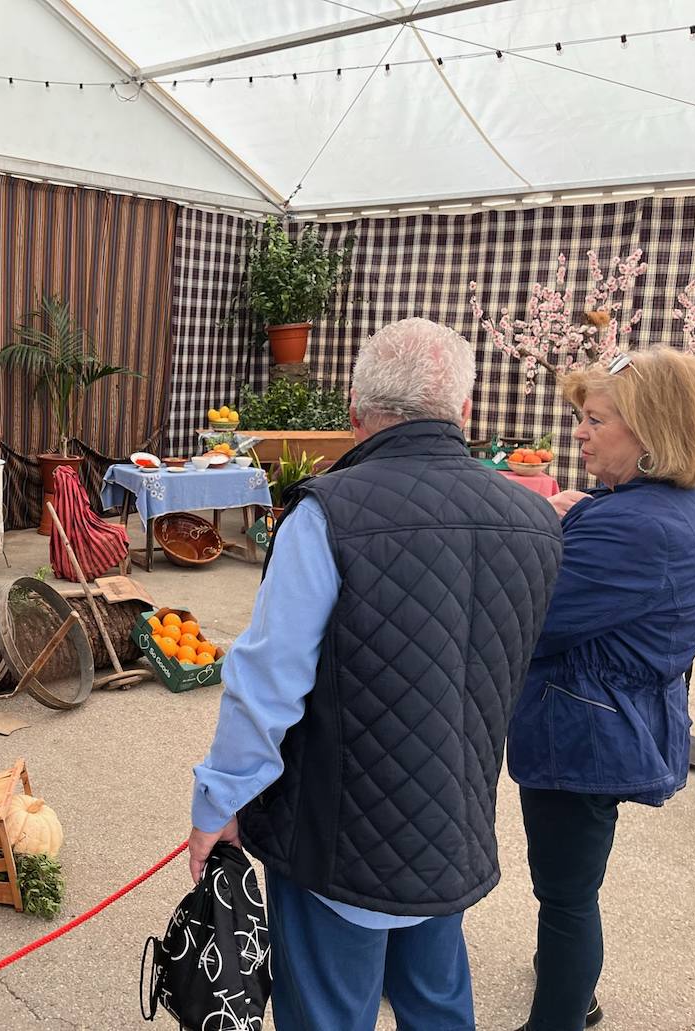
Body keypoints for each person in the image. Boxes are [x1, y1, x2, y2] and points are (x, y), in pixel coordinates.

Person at [189, 317, 564, 1031]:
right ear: (465, 412)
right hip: (451, 830)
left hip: (336, 838)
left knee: (330, 1014)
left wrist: (219, 802)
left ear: (355, 413)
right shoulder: (536, 518)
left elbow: (266, 679)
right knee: (439, 1007)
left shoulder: (328, 514)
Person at [507, 348, 695, 1031]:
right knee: (571, 885)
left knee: (565, 895)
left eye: (594, 419)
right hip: (606, 721)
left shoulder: (632, 528)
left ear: (650, 434)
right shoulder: (651, 511)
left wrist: (542, 533)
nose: (578, 433)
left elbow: (529, 619)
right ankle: (570, 986)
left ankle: (558, 1014)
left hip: (583, 735)